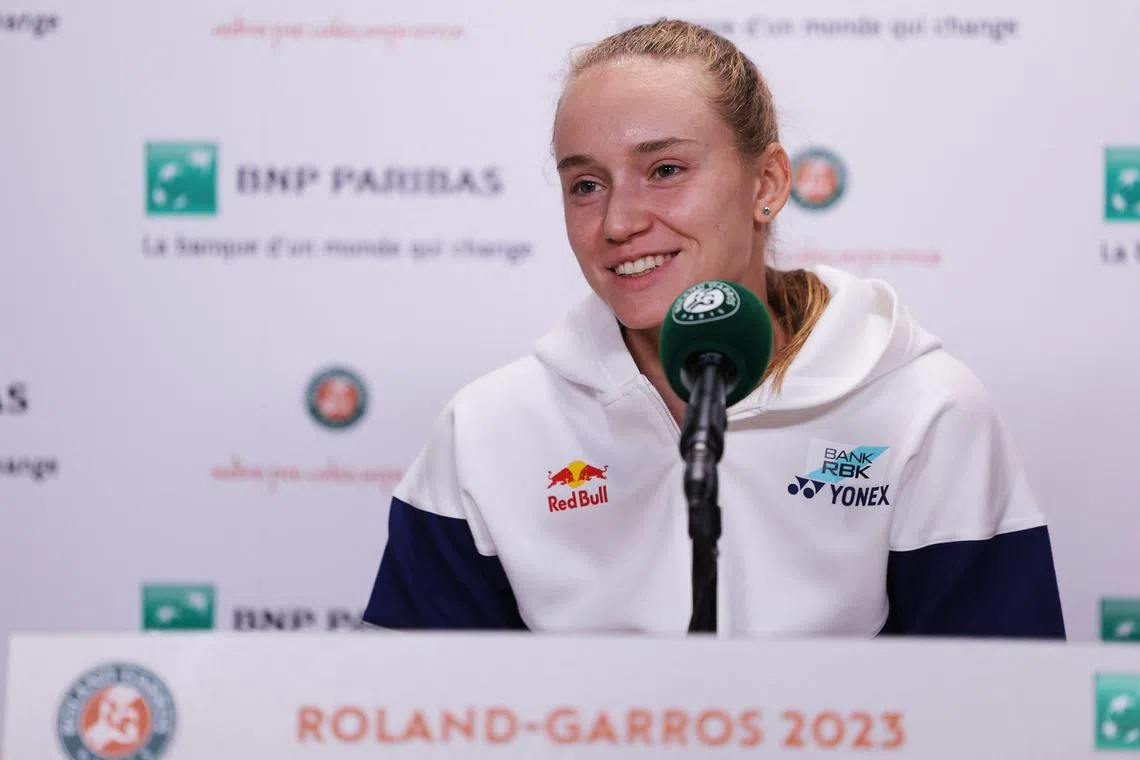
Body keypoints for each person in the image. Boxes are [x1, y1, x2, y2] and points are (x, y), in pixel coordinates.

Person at [361, 19, 1066, 638]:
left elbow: (1006, 713)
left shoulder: (925, 410)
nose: (617, 222)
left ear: (767, 184)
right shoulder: (489, 430)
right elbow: (408, 715)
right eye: (586, 184)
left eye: (665, 170)